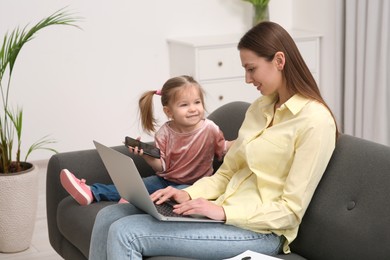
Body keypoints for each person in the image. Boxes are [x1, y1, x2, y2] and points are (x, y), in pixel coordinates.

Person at [89, 21, 339, 259]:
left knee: (126, 233)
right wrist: (188, 194)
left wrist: (222, 212)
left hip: (259, 232)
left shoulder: (315, 122)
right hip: (220, 209)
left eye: (251, 68)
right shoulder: (259, 109)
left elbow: (290, 211)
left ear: (279, 60)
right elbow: (226, 174)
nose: (247, 79)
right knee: (109, 216)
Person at [60, 75, 233, 205]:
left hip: (195, 186)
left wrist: (245, 140)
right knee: (135, 188)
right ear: (169, 111)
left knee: (169, 197)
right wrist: (147, 157)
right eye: (184, 105)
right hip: (165, 179)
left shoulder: (210, 129)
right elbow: (163, 166)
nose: (193, 109)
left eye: (197, 102)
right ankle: (91, 191)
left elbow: (223, 150)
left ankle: (136, 205)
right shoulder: (165, 133)